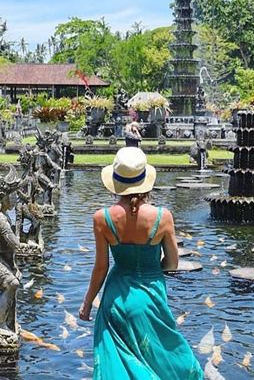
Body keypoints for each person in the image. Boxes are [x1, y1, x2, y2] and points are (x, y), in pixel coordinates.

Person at [79, 147, 203, 379]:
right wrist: (152, 269)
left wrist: (87, 303)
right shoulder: (162, 216)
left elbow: (101, 268)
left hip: (116, 298)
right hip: (151, 296)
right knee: (167, 357)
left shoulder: (102, 218)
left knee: (116, 365)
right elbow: (173, 263)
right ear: (145, 180)